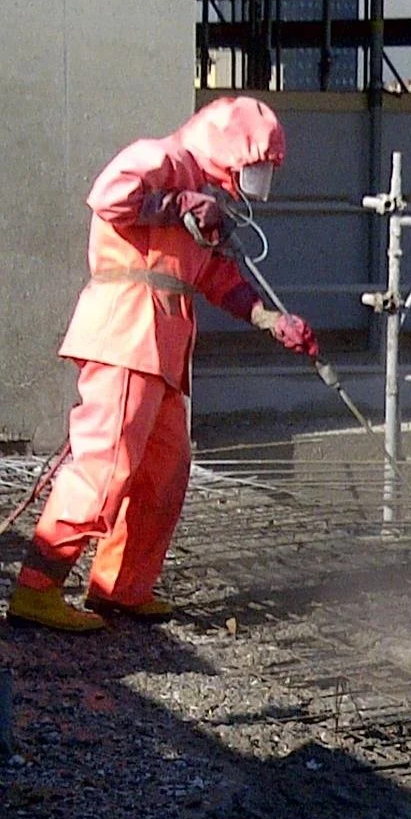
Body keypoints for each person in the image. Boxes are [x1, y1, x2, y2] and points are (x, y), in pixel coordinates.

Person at [7, 96, 319, 632]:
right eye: (254, 168)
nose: (254, 181)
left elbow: (213, 277)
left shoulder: (205, 198)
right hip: (127, 333)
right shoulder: (164, 160)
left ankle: (121, 588)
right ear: (229, 148)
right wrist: (178, 204)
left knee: (165, 471)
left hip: (164, 349)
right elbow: (109, 197)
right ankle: (37, 589)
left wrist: (269, 319)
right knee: (106, 467)